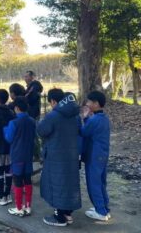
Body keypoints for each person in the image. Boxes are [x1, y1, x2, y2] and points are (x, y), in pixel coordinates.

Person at [37, 89, 81, 227]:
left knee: (56, 183)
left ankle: (59, 217)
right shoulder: (75, 115)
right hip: (72, 155)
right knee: (69, 183)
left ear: (54, 101)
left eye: (50, 102)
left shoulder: (54, 116)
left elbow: (41, 131)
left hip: (56, 155)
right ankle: (67, 214)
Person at [81, 91, 111, 221]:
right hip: (103, 154)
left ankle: (100, 212)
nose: (87, 104)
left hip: (94, 155)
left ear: (96, 103)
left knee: (94, 183)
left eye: (89, 102)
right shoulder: (104, 118)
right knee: (101, 182)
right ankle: (104, 208)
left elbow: (84, 132)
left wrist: (84, 117)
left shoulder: (94, 120)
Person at [4, 96, 36, 217]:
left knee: (17, 181)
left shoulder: (13, 122)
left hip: (17, 155)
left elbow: (9, 138)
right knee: (28, 180)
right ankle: (28, 206)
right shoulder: (32, 121)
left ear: (17, 108)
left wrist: (5, 129)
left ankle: (18, 207)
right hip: (28, 154)